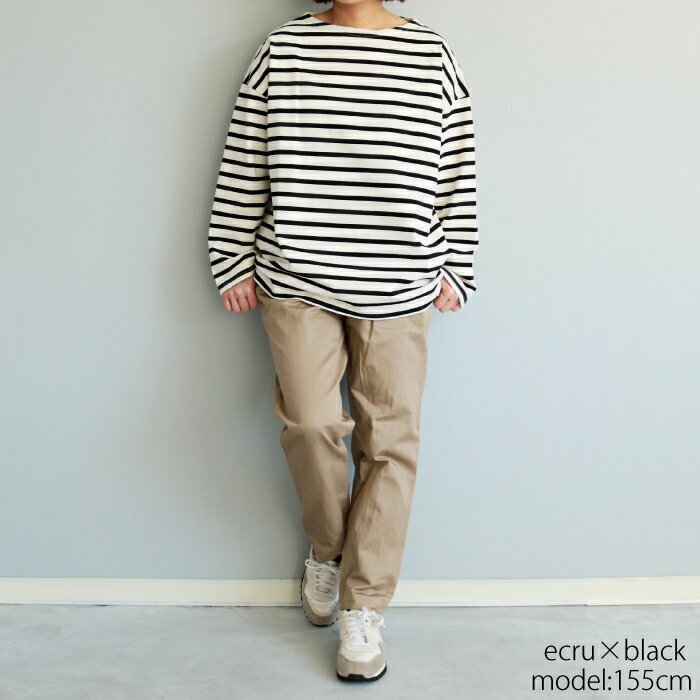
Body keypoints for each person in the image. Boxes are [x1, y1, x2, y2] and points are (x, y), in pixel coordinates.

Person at [207, 0, 478, 683]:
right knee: (311, 424)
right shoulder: (283, 50)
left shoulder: (431, 55)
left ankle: (364, 608)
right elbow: (246, 157)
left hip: (402, 282)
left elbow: (457, 167)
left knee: (391, 444)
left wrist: (458, 265)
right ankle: (327, 550)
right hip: (296, 276)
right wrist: (231, 256)